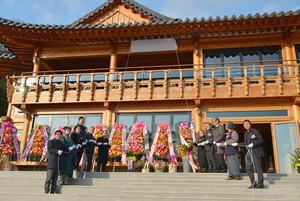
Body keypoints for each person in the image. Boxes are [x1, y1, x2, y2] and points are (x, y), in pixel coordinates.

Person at [234, 119, 264, 189]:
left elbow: (261, 140)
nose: (246, 125)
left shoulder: (255, 131)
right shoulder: (246, 133)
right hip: (248, 152)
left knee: (257, 168)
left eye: (247, 124)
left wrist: (253, 144)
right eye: (244, 124)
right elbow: (246, 143)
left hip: (255, 151)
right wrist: (237, 144)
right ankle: (253, 183)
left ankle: (260, 183)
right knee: (248, 168)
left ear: (250, 124)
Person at [44, 130, 69, 194]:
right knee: (49, 178)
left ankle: (53, 190)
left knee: (55, 179)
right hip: (52, 162)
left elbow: (66, 150)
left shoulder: (61, 143)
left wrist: (70, 148)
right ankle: (46, 189)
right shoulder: (51, 142)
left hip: (58, 163)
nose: (59, 135)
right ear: (54, 135)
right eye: (57, 134)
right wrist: (57, 151)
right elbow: (50, 149)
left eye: (60, 134)